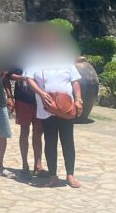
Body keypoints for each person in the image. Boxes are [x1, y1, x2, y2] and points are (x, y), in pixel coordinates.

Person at [26, 56, 83, 188]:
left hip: (66, 108)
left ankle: (70, 175)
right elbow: (29, 79)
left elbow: (75, 82)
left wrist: (78, 99)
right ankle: (53, 175)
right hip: (47, 109)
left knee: (68, 140)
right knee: (50, 141)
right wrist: (40, 93)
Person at [9, 68, 44, 177]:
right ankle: (25, 164)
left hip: (39, 99)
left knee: (38, 132)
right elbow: (8, 75)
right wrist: (25, 78)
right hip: (23, 98)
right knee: (24, 131)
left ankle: (38, 165)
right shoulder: (19, 57)